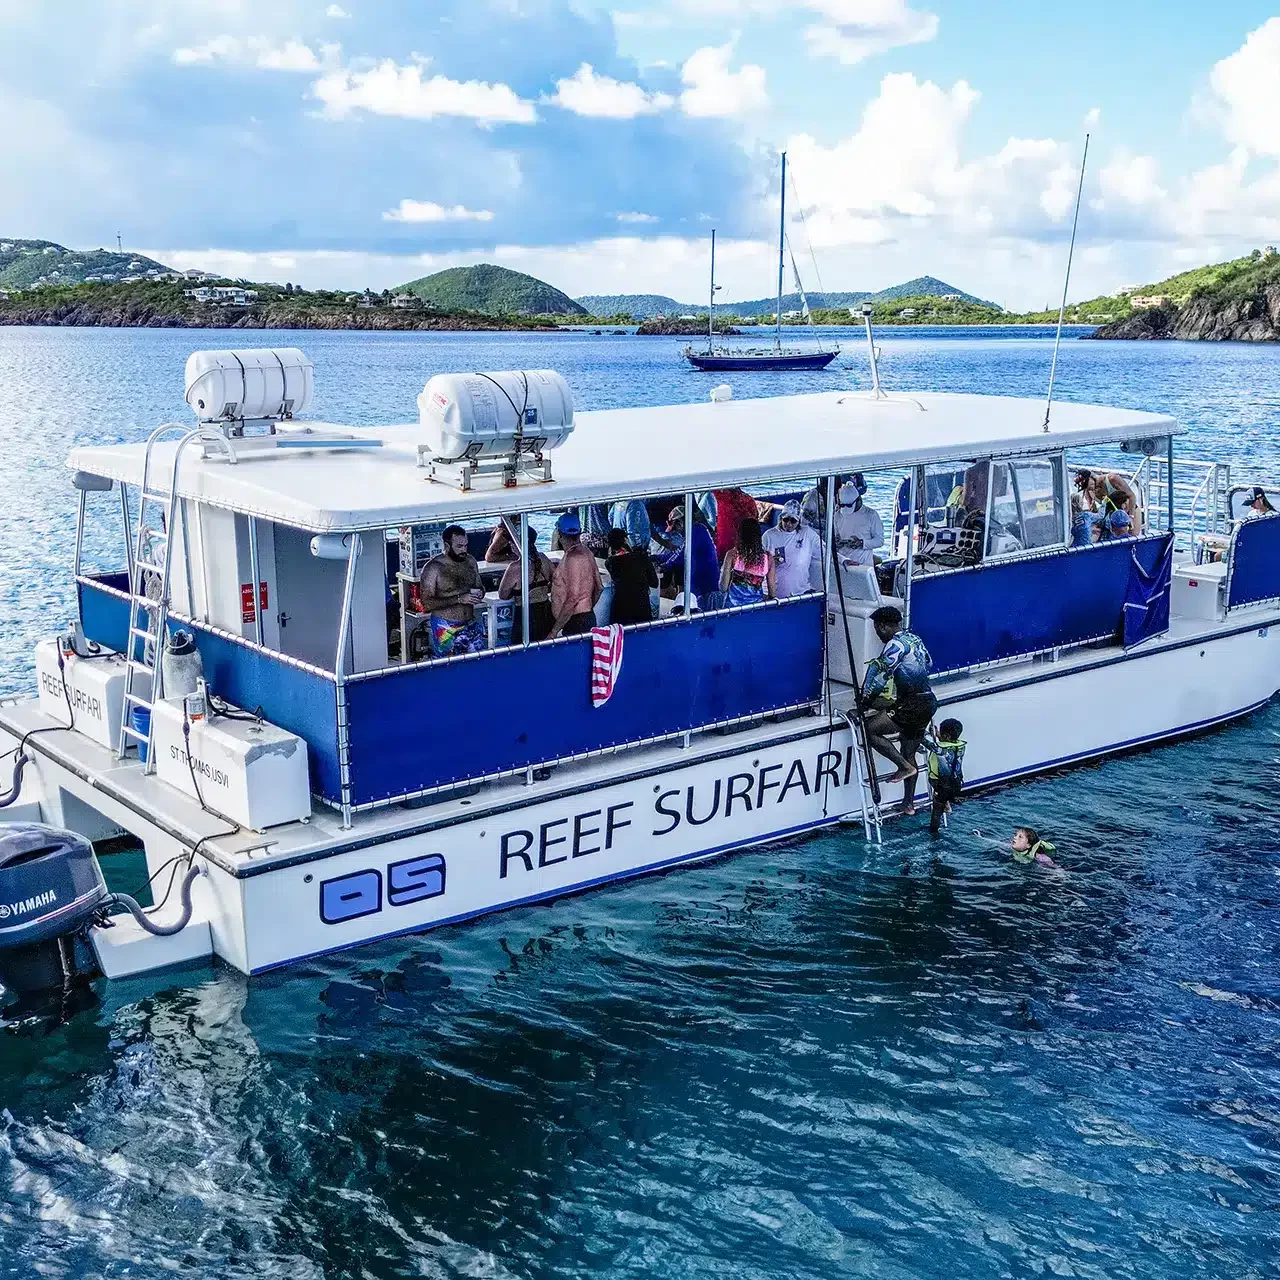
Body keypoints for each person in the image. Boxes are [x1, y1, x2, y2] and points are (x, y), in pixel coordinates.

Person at [860, 605, 936, 815]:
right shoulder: (914, 639)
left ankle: (903, 767)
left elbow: (880, 676)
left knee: (870, 729)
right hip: (927, 701)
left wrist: (864, 703)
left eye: (877, 629)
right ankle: (908, 804)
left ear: (883, 626)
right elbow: (928, 662)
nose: (877, 634)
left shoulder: (894, 645)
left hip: (911, 704)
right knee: (909, 750)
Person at [418, 524, 487, 657]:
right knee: (449, 666)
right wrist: (459, 599)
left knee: (477, 662)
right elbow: (426, 604)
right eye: (459, 547)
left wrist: (480, 593)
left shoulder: (470, 561)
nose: (464, 550)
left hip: (470, 623)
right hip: (445, 627)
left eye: (466, 545)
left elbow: (480, 586)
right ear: (447, 545)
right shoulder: (433, 568)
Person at [498, 526, 555, 644]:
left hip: (526, 616)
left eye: (512, 541)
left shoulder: (515, 567)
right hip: (546, 612)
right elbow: (555, 581)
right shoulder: (544, 559)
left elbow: (502, 595)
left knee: (521, 653)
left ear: (518, 543)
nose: (510, 544)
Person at [550, 511, 603, 637]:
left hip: (575, 622)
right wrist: (587, 608)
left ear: (559, 533)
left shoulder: (573, 558)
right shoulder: (587, 552)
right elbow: (599, 587)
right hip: (584, 618)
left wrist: (554, 631)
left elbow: (573, 599)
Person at [762, 500, 818, 599]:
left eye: (793, 521)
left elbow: (825, 551)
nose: (789, 523)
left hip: (799, 592)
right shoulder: (769, 535)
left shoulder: (807, 534)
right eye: (786, 519)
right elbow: (758, 563)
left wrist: (843, 560)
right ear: (781, 518)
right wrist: (770, 563)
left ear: (799, 520)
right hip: (771, 594)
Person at [605, 528, 659, 626]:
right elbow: (654, 583)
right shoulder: (642, 557)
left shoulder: (610, 563)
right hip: (641, 608)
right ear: (625, 540)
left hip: (620, 609)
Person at [718, 516, 775, 606]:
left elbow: (723, 587)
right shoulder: (768, 558)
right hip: (756, 606)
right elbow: (772, 592)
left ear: (740, 534)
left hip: (732, 605)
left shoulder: (732, 555)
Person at [925, 718, 965, 837]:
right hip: (957, 784)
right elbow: (948, 746)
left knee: (936, 812)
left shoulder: (939, 748)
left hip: (941, 785)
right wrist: (938, 735)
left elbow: (926, 743)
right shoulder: (961, 745)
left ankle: (934, 834)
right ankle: (946, 803)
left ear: (946, 736)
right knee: (944, 796)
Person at [833, 474, 884, 568]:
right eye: (842, 506)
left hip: (863, 565)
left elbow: (879, 541)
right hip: (843, 563)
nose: (845, 509)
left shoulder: (871, 515)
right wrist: (837, 542)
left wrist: (862, 543)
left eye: (848, 506)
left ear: (858, 500)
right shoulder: (837, 515)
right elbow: (835, 536)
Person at [712, 487, 761, 560]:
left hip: (726, 542)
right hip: (744, 544)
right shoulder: (749, 500)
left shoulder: (723, 497)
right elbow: (755, 519)